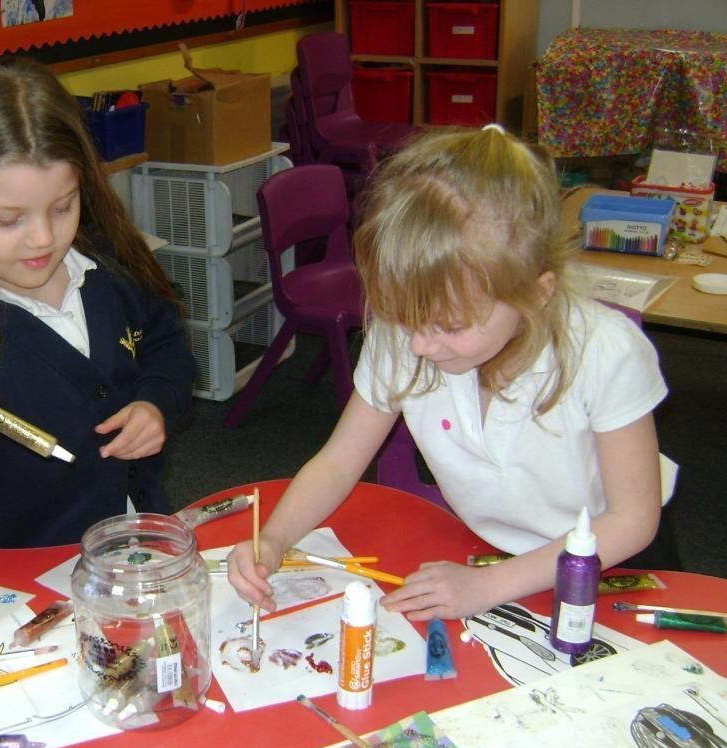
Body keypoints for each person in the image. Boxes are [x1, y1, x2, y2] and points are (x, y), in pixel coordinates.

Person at [228, 124, 673, 621]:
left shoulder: (605, 352)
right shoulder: (408, 335)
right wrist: (274, 538)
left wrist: (489, 587)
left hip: (608, 565)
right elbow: (338, 462)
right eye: (406, 316)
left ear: (537, 293)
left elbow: (632, 521)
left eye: (450, 324)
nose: (419, 343)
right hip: (484, 552)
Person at [0, 58, 196, 549]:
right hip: (29, 583)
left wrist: (156, 403)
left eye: (63, 207)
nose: (44, 239)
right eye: (8, 220)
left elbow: (166, 343)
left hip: (135, 543)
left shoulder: (109, 269)